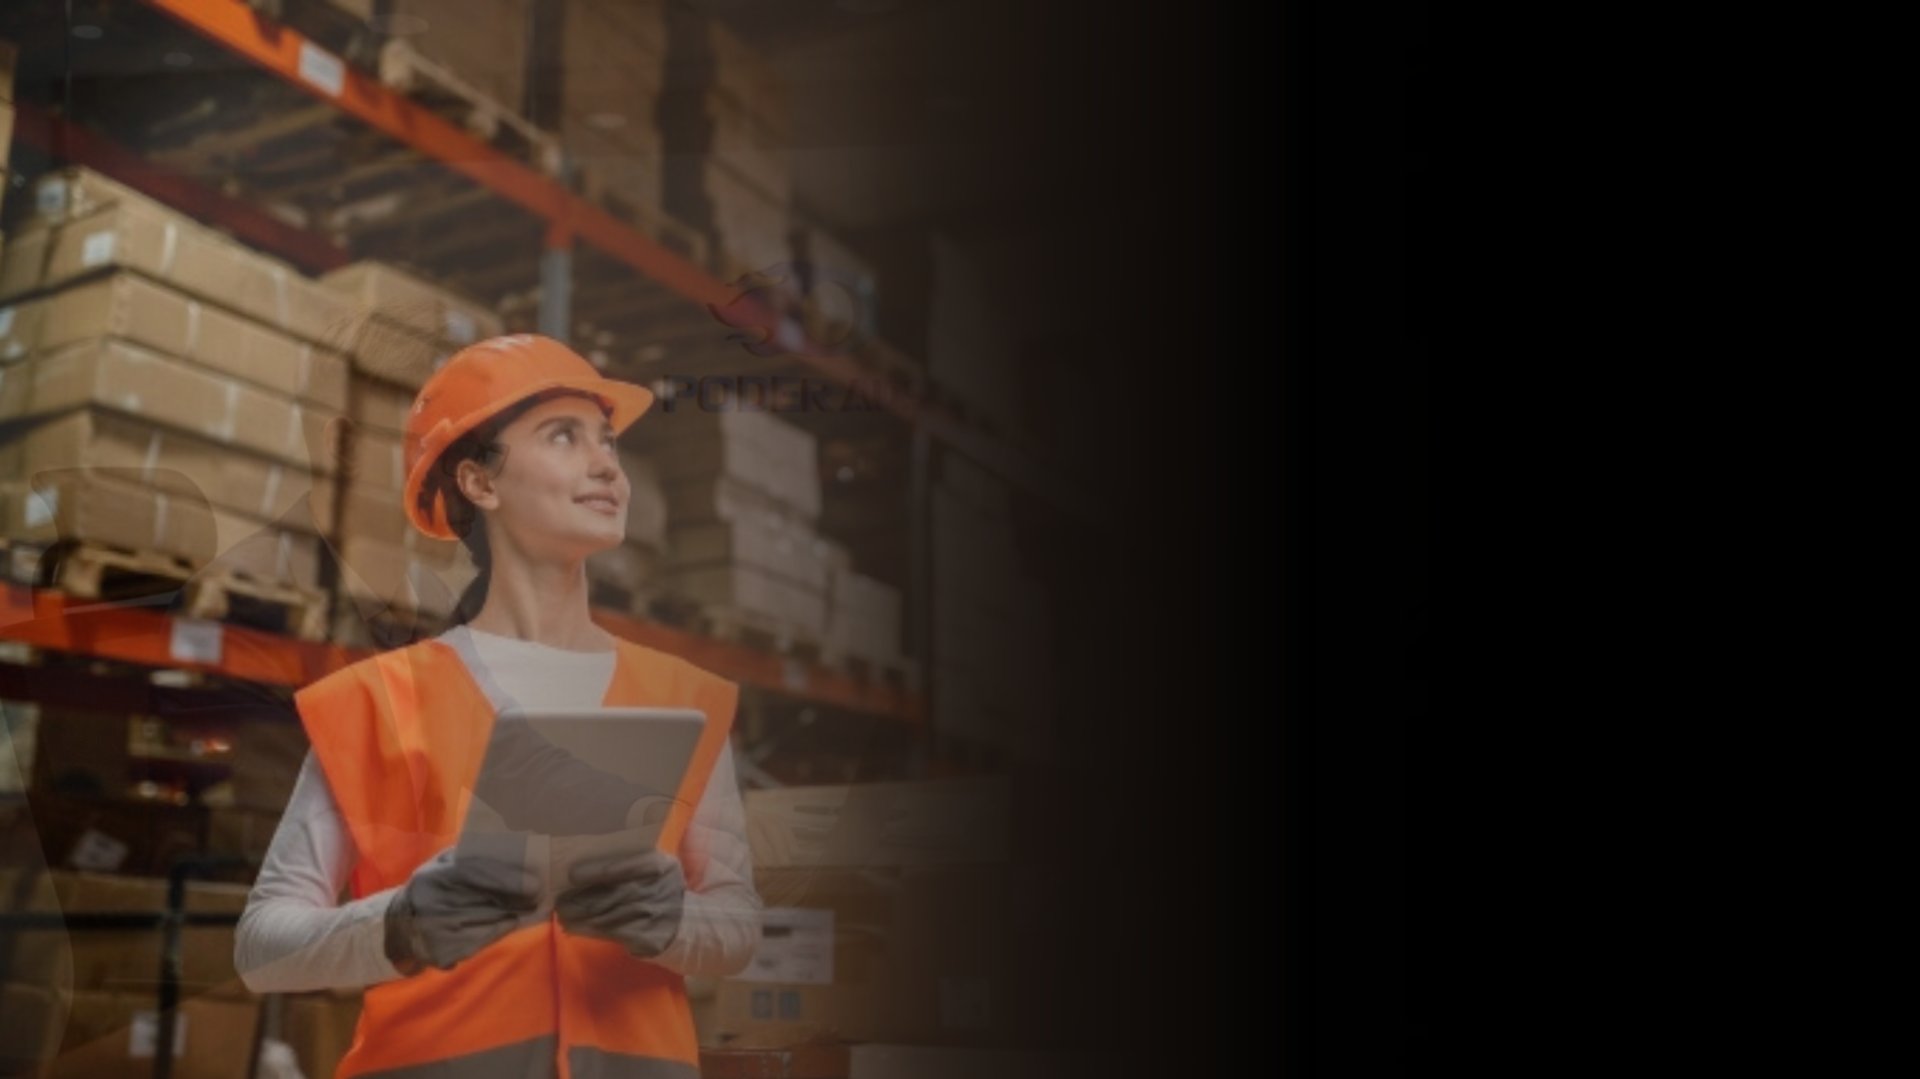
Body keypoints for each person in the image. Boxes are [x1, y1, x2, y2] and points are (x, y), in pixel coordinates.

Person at [234, 334, 761, 1078]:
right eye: (563, 436)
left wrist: (675, 922)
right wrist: (397, 924)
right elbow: (261, 946)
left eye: (607, 441)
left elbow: (739, 923)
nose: (608, 463)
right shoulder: (380, 702)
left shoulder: (685, 700)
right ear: (480, 481)